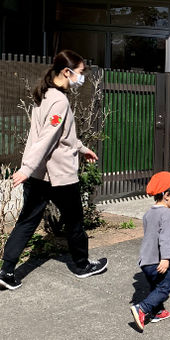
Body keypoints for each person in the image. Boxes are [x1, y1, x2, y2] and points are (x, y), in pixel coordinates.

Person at [0, 50, 107, 290]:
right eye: (80, 73)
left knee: (26, 221)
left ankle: (6, 271)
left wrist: (81, 148)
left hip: (39, 174)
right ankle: (82, 266)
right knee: (75, 221)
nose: (81, 78)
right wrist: (27, 167)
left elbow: (60, 136)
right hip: (57, 176)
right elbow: (48, 137)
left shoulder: (45, 95)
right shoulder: (60, 101)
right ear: (66, 72)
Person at [130, 171, 170, 331]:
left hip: (146, 260)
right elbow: (165, 238)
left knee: (156, 287)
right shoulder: (167, 214)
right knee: (165, 287)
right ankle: (142, 308)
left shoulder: (149, 213)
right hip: (158, 260)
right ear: (167, 195)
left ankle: (158, 312)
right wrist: (166, 258)